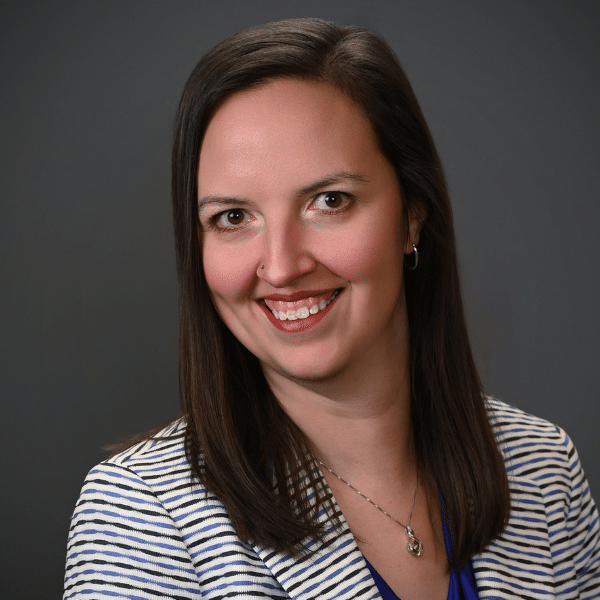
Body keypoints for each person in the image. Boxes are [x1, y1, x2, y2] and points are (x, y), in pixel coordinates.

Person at [63, 18, 599, 600]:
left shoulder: (545, 472)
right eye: (233, 217)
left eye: (329, 201)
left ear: (412, 213)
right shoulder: (142, 514)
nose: (282, 265)